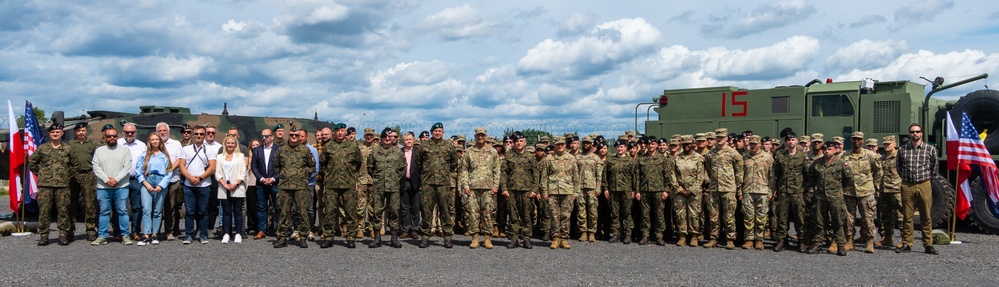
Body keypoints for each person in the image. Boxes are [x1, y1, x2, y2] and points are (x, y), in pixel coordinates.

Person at [29, 123, 79, 246]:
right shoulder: (42, 148)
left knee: (63, 211)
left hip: (63, 186)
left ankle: (63, 235)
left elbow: (76, 165)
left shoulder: (68, 149)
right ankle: (44, 236)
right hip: (45, 185)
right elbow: (32, 163)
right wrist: (42, 174)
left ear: (62, 133)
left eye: (58, 132)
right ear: (49, 134)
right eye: (52, 132)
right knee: (44, 211)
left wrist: (66, 176)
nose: (55, 134)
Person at [896, 123, 939, 255]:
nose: (915, 134)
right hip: (907, 184)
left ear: (921, 133)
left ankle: (928, 245)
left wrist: (927, 180)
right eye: (912, 132)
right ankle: (907, 243)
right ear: (909, 134)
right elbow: (899, 167)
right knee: (907, 216)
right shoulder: (902, 150)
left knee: (926, 216)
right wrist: (906, 179)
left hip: (924, 183)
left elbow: (935, 167)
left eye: (917, 131)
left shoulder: (930, 149)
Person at [319, 123, 363, 248]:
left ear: (345, 132)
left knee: (350, 211)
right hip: (332, 184)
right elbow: (322, 164)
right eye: (337, 130)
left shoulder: (353, 146)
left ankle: (350, 237)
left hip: (348, 184)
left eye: (342, 130)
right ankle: (328, 237)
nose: (339, 133)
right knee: (329, 211)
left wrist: (352, 176)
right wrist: (328, 176)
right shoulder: (329, 146)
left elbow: (358, 162)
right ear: (334, 133)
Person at [416, 122, 458, 248]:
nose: (437, 133)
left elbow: (453, 163)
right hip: (428, 183)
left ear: (443, 133)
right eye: (435, 131)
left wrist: (444, 174)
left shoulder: (448, 146)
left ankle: (448, 237)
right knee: (426, 211)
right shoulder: (424, 146)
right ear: (431, 132)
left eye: (440, 131)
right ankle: (425, 237)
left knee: (445, 210)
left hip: (443, 184)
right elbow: (418, 162)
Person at [806, 141, 852, 256]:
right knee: (819, 221)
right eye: (825, 149)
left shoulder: (841, 163)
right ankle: (818, 243)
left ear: (835, 150)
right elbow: (811, 179)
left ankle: (840, 245)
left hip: (835, 197)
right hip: (820, 197)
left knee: (838, 220)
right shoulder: (817, 164)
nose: (827, 151)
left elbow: (849, 179)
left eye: (830, 149)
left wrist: (840, 191)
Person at [459, 127, 502, 249]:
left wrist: (495, 186)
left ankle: (487, 238)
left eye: (482, 135)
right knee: (473, 214)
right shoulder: (469, 151)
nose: (480, 137)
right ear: (475, 136)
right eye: (478, 135)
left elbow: (497, 170)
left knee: (488, 214)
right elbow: (464, 170)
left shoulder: (492, 152)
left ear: (486, 136)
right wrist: (465, 185)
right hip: (472, 188)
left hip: (488, 188)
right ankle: (475, 238)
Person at [273, 127, 316, 248]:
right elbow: (276, 166)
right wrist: (284, 175)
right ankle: (282, 237)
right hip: (285, 186)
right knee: (284, 212)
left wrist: (304, 175)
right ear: (289, 135)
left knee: (302, 212)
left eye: (297, 135)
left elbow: (312, 165)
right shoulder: (282, 150)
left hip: (300, 186)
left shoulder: (305, 150)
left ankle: (303, 237)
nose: (294, 137)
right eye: (292, 135)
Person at [91, 124, 134, 246]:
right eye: (109, 136)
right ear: (105, 137)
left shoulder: (124, 150)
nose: (112, 138)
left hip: (121, 186)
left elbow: (127, 166)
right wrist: (106, 179)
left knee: (122, 211)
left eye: (114, 136)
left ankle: (125, 234)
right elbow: (96, 166)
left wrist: (116, 179)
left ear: (117, 136)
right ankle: (102, 235)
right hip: (103, 187)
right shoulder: (99, 151)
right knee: (104, 211)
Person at [704, 128, 744, 250]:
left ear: (727, 138)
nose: (719, 139)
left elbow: (739, 172)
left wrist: (737, 187)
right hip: (714, 189)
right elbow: (708, 170)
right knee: (713, 216)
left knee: (729, 216)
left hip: (729, 189)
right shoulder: (710, 154)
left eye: (722, 137)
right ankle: (713, 238)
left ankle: (730, 239)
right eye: (718, 137)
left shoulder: (734, 154)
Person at [843, 132, 882, 253]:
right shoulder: (845, 156)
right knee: (848, 218)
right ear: (851, 140)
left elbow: (878, 172)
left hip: (866, 191)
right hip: (849, 192)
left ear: (863, 141)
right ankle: (850, 241)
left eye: (859, 139)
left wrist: (874, 186)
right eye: (854, 139)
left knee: (868, 218)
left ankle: (869, 242)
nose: (856, 141)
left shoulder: (870, 155)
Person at [177, 126, 217, 244]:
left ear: (204, 136)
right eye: (196, 134)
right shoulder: (186, 149)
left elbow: (212, 167)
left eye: (201, 134)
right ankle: (189, 235)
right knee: (189, 211)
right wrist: (190, 178)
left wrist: (200, 178)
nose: (198, 136)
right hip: (189, 185)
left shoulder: (209, 150)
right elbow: (182, 165)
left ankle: (203, 235)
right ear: (193, 135)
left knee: (203, 211)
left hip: (204, 185)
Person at [368, 128, 406, 248]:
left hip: (393, 186)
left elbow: (402, 168)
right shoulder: (374, 152)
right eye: (386, 137)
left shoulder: (398, 152)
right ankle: (377, 238)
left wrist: (394, 178)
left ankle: (394, 238)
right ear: (382, 139)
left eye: (391, 137)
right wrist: (378, 178)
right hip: (379, 186)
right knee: (377, 211)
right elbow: (370, 168)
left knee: (394, 211)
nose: (388, 139)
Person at [135, 133, 175, 246]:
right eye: (152, 140)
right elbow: (138, 170)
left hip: (160, 181)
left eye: (157, 139)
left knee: (157, 210)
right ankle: (146, 234)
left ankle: (155, 234)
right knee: (146, 209)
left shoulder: (164, 156)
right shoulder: (144, 155)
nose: (155, 141)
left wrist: (161, 185)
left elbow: (169, 172)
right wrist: (145, 183)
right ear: (149, 142)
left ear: (160, 141)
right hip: (147, 180)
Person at [540, 136, 579, 250]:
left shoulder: (571, 159)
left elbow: (576, 176)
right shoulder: (549, 159)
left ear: (565, 145)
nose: (560, 146)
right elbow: (544, 177)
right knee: (554, 216)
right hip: (552, 191)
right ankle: (556, 238)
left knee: (566, 216)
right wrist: (544, 192)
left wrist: (576, 192)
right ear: (554, 145)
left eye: (562, 144)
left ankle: (564, 238)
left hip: (567, 191)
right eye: (558, 144)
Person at [500, 131, 536, 249]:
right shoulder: (508, 156)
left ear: (525, 143)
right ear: (513, 144)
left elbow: (535, 174)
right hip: (511, 190)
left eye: (521, 141)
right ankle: (514, 239)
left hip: (526, 190)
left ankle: (526, 238)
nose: (518, 143)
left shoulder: (530, 156)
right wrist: (504, 189)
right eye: (516, 141)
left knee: (526, 215)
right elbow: (504, 173)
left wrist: (534, 190)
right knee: (513, 215)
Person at [772, 131, 807, 252]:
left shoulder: (803, 156)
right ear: (785, 142)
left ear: (796, 141)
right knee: (782, 217)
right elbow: (775, 174)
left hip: (798, 191)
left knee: (800, 217)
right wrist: (774, 190)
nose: (790, 142)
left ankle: (802, 241)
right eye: (788, 140)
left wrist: (806, 190)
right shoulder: (780, 156)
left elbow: (807, 174)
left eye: (792, 140)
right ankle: (781, 240)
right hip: (783, 191)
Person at [68, 122, 100, 241]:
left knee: (89, 204)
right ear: (75, 132)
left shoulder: (92, 145)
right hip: (73, 176)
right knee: (71, 203)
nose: (81, 133)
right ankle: (70, 229)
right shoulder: (70, 145)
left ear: (86, 132)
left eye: (83, 130)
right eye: (78, 131)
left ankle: (91, 229)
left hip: (88, 174)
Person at [740, 135, 773, 250]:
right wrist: (740, 192)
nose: (753, 146)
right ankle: (749, 239)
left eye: (755, 144)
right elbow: (740, 176)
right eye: (751, 144)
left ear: (760, 144)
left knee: (761, 216)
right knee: (748, 216)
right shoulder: (744, 157)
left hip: (762, 191)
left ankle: (759, 239)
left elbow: (772, 176)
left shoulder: (767, 157)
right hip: (748, 190)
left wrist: (770, 192)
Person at [636, 136, 671, 246]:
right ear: (645, 145)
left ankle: (659, 236)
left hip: (658, 190)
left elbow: (667, 176)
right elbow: (637, 177)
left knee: (659, 214)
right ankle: (645, 235)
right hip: (645, 190)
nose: (650, 146)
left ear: (656, 145)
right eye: (648, 144)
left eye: (652, 144)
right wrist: (637, 191)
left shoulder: (662, 159)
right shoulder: (640, 159)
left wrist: (666, 190)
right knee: (645, 214)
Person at [603, 139, 637, 244]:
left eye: (622, 147)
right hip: (613, 190)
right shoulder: (610, 160)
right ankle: (616, 234)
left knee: (627, 212)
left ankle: (628, 234)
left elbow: (634, 176)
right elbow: (605, 176)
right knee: (615, 213)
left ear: (626, 148)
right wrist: (605, 188)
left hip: (626, 190)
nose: (619, 149)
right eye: (618, 147)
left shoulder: (630, 161)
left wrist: (634, 190)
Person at [215, 136, 247, 244]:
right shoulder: (220, 157)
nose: (230, 145)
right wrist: (224, 184)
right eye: (228, 143)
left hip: (237, 186)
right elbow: (217, 172)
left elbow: (243, 172)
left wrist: (236, 183)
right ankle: (226, 233)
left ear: (235, 144)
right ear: (225, 144)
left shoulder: (240, 156)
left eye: (232, 143)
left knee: (237, 211)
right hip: (224, 186)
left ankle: (238, 233)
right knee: (226, 211)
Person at [156, 122, 184, 241]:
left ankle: (169, 231)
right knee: (156, 207)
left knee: (171, 207)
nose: (162, 133)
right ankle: (155, 232)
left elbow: (179, 159)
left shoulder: (176, 144)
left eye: (164, 131)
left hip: (172, 180)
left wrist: (169, 170)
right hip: (156, 181)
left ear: (168, 132)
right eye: (160, 131)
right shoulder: (153, 144)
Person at [118, 123, 146, 242]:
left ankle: (135, 231)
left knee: (137, 207)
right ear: (123, 132)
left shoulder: (141, 145)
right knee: (120, 207)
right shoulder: (117, 143)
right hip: (120, 180)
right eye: (127, 132)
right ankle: (120, 232)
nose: (130, 134)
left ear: (136, 133)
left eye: (132, 132)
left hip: (136, 180)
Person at [251, 128, 279, 239]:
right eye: (262, 136)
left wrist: (273, 179)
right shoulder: (257, 150)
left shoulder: (279, 149)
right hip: (261, 184)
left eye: (266, 136)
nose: (264, 138)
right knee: (261, 207)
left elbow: (281, 167)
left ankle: (278, 230)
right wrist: (262, 179)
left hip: (275, 183)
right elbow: (254, 166)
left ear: (272, 137)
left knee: (277, 207)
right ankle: (262, 230)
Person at [575, 136, 602, 243]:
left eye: (588, 143)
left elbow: (599, 175)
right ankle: (583, 232)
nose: (585, 144)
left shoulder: (596, 158)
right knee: (581, 211)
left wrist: (598, 188)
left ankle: (592, 232)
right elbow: (574, 174)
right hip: (580, 188)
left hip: (592, 188)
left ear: (591, 145)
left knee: (592, 211)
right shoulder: (577, 158)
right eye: (584, 143)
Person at [877, 135, 903, 249]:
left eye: (889, 144)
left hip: (897, 190)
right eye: (885, 144)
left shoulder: (900, 157)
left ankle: (905, 240)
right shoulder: (882, 158)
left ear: (895, 144)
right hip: (884, 190)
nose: (886, 146)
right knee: (885, 216)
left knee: (901, 216)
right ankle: (887, 239)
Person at [355, 128, 377, 239]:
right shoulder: (359, 148)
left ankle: (372, 228)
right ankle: (360, 228)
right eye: (367, 135)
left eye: (371, 135)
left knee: (373, 206)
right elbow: (355, 165)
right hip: (361, 180)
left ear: (373, 136)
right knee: (360, 206)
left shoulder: (378, 149)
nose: (369, 137)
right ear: (364, 136)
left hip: (374, 181)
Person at [399, 133, 422, 239]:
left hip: (415, 182)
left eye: (410, 139)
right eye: (406, 139)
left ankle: (414, 229)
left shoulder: (418, 152)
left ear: (413, 140)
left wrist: (421, 182)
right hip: (403, 182)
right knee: (404, 208)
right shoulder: (400, 152)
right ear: (403, 141)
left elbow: (422, 167)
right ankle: (405, 229)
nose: (408, 141)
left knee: (415, 207)